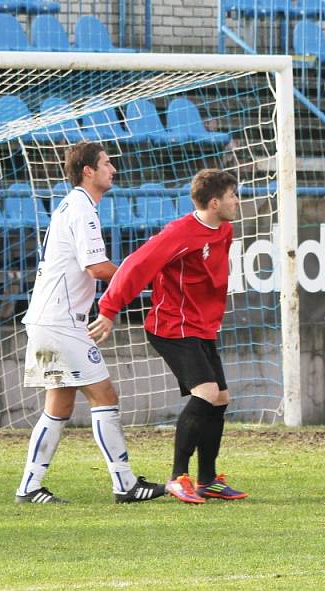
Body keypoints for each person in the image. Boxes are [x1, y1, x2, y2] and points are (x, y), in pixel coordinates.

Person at [15, 142, 166, 504]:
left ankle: (29, 487)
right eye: (106, 163)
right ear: (88, 170)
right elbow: (96, 269)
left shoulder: (73, 205)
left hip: (48, 319)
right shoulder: (81, 208)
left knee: (59, 406)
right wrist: (140, 276)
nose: (113, 169)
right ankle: (125, 484)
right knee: (105, 395)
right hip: (61, 323)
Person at [88, 168, 247, 504]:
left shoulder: (225, 229)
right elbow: (136, 265)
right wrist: (109, 308)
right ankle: (177, 477)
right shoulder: (180, 233)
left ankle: (207, 480)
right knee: (204, 393)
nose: (238, 200)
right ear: (214, 201)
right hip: (172, 327)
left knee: (220, 398)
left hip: (201, 328)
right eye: (233, 195)